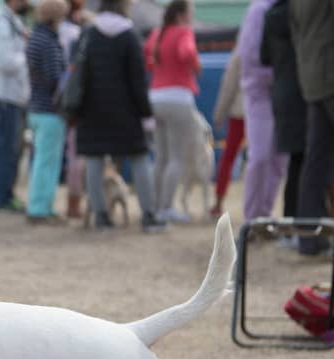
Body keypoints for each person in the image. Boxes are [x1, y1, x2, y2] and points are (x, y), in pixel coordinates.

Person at [74, 0, 166, 232]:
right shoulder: (129, 35)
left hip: (92, 109)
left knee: (94, 160)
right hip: (126, 111)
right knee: (139, 158)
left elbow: (79, 72)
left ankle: (101, 217)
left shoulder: (88, 34)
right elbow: (138, 81)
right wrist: (146, 114)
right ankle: (149, 216)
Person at [144, 0, 201, 223]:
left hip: (155, 97)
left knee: (160, 157)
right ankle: (166, 208)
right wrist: (196, 66)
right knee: (175, 157)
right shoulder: (184, 32)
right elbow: (187, 53)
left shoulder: (157, 33)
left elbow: (147, 58)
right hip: (179, 98)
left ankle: (156, 206)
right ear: (181, 15)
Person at [290, 0, 334, 256]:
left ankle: (308, 238)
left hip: (311, 79)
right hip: (329, 75)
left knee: (314, 162)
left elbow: (297, 34)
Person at [238, 0, 286, 221]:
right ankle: (252, 218)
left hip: (281, 93)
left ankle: (264, 215)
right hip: (260, 93)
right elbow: (249, 57)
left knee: (279, 159)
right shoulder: (259, 9)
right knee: (260, 156)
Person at [260, 0, 306, 229]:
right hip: (304, 93)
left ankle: (290, 226)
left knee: (295, 164)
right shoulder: (298, 12)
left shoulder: (269, 15)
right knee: (307, 164)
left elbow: (264, 57)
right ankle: (302, 226)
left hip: (281, 94)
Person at [0, 0, 31, 212]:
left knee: (13, 151)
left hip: (16, 97)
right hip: (7, 97)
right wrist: (27, 55)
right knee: (5, 149)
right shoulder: (0, 24)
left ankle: (6, 194)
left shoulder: (14, 22)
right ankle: (0, 198)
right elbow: (3, 61)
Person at [26, 0, 68, 224]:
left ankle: (41, 206)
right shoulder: (49, 42)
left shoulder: (34, 37)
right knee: (47, 162)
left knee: (41, 161)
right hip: (50, 110)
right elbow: (55, 79)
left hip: (36, 107)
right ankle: (40, 209)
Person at [58, 0, 92, 219]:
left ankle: (74, 203)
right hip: (80, 105)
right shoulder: (76, 37)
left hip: (68, 105)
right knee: (79, 158)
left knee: (73, 157)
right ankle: (76, 204)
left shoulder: (61, 35)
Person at [210, 49, 245, 218]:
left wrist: (219, 114)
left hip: (240, 112)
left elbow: (228, 86)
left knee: (228, 157)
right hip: (263, 113)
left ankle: (218, 203)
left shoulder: (239, 54)